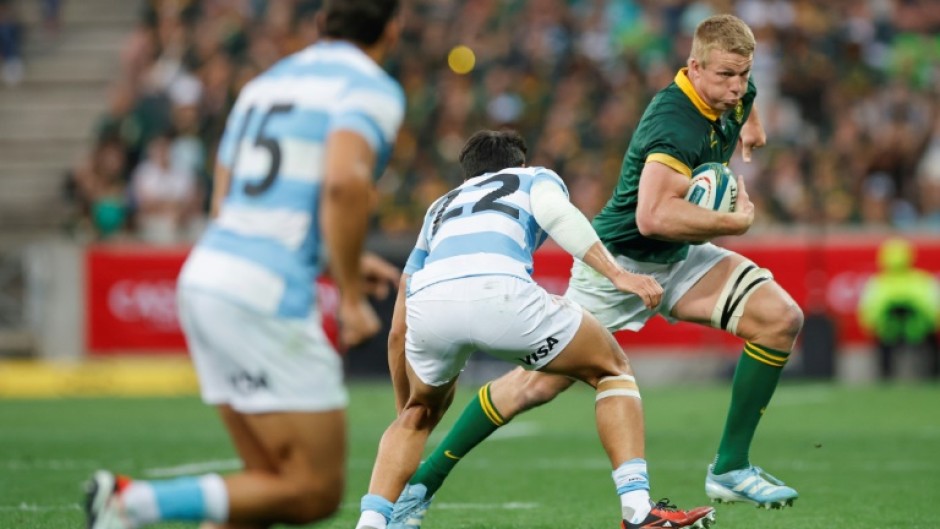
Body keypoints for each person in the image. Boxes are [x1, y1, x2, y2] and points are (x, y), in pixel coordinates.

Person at [390, 14, 803, 528]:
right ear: (693, 67)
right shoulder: (672, 125)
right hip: (622, 261)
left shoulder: (734, 86)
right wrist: (733, 223)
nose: (736, 87)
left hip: (681, 259)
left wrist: (751, 127)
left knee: (780, 318)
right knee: (534, 387)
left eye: (743, 75)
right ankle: (423, 483)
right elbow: (652, 217)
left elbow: (746, 99)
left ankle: (731, 467)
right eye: (724, 76)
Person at [84, 1, 405, 528]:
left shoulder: (263, 85)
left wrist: (335, 257)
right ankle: (131, 503)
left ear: (321, 24)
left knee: (264, 482)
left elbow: (227, 206)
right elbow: (345, 184)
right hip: (264, 295)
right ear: (393, 29)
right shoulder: (369, 87)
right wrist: (348, 295)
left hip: (207, 274)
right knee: (314, 490)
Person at [356, 129, 716, 529]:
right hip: (501, 293)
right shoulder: (532, 178)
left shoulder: (439, 207)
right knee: (611, 369)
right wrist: (618, 275)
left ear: (466, 176)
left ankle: (371, 523)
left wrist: (405, 412)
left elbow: (398, 326)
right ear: (520, 163)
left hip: (431, 305)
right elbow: (559, 216)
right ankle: (637, 510)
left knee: (417, 415)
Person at [858, 238, 940, 380]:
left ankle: (928, 375)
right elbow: (934, 309)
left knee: (929, 345)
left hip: (914, 331)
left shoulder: (878, 283)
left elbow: (868, 313)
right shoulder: (921, 281)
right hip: (893, 332)